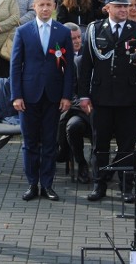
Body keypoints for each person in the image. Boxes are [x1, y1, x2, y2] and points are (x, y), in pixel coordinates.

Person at [79, 0, 136, 203]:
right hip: (101, 98)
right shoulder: (95, 29)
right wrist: (83, 95)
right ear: (107, 8)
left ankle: (126, 187)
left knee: (126, 145)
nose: (123, 10)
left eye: (126, 7)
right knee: (99, 145)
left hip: (128, 98)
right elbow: (86, 66)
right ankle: (98, 184)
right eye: (118, 6)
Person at [10, 0, 75, 202]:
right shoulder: (23, 31)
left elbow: (69, 68)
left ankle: (47, 184)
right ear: (34, 6)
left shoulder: (62, 32)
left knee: (49, 142)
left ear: (54, 6)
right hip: (28, 96)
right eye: (41, 5)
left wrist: (67, 95)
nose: (45, 8)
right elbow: (15, 65)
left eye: (49, 4)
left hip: (53, 95)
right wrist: (16, 95)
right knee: (29, 141)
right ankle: (32, 183)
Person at [56, 22, 91, 183]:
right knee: (71, 124)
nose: (77, 41)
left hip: (89, 108)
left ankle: (62, 150)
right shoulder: (57, 55)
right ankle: (81, 162)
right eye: (73, 38)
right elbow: (71, 91)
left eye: (79, 37)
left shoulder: (90, 54)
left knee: (66, 119)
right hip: (75, 106)